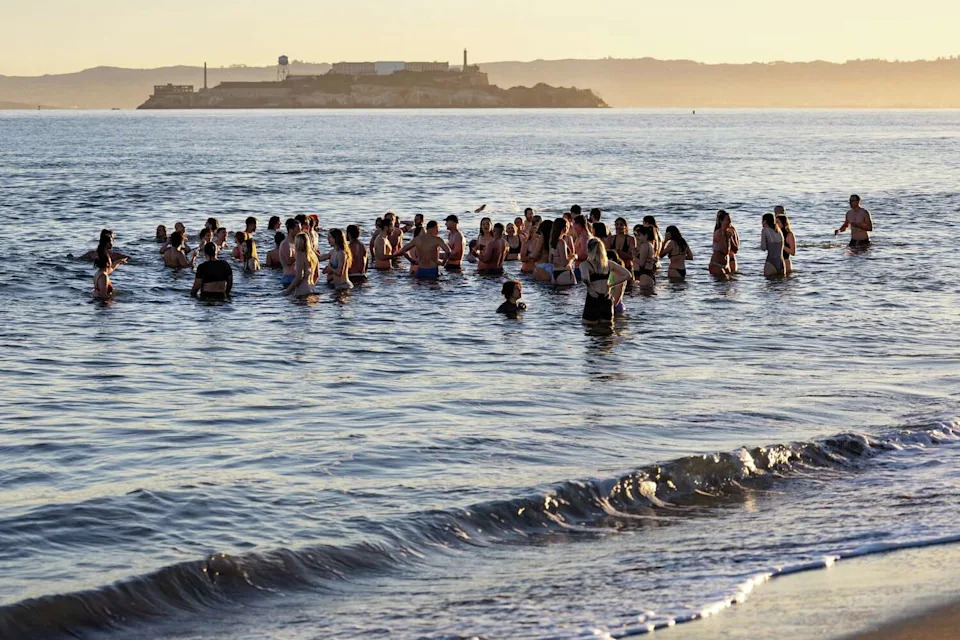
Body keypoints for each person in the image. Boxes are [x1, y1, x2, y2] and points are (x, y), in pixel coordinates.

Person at [580, 238, 632, 324]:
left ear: (589, 250)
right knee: (606, 331)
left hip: (593, 298)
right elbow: (628, 275)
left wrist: (591, 289)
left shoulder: (585, 265)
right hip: (606, 300)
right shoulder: (609, 264)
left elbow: (585, 278)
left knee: (590, 331)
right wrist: (611, 285)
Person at [550, 217, 576, 286]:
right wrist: (573, 258)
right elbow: (564, 263)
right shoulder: (561, 242)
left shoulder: (552, 242)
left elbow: (550, 260)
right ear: (564, 228)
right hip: (564, 273)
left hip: (555, 273)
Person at [710, 210, 733, 278]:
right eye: (727, 220)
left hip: (725, 264)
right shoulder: (719, 233)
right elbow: (725, 251)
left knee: (730, 286)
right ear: (721, 221)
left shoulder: (728, 232)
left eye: (730, 219)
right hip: (716, 265)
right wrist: (728, 239)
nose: (730, 221)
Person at [279, 218, 300, 286]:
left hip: (296, 278)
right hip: (289, 278)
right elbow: (288, 261)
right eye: (298, 229)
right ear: (291, 230)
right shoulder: (286, 243)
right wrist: (300, 253)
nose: (300, 231)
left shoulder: (295, 243)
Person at [572, 214, 593, 282]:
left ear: (579, 225)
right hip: (580, 268)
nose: (574, 227)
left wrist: (572, 257)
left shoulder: (585, 237)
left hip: (582, 269)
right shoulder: (582, 236)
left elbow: (584, 255)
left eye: (574, 225)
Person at [606, 251, 628, 315]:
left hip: (616, 306)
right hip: (611, 305)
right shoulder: (611, 273)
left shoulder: (618, 274)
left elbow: (618, 292)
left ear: (611, 260)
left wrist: (612, 307)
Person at [776, 207, 796, 274]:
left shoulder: (789, 234)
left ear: (783, 223)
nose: (776, 224)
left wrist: (782, 245)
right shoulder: (776, 234)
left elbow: (792, 252)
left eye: (777, 222)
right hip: (776, 262)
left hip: (785, 262)